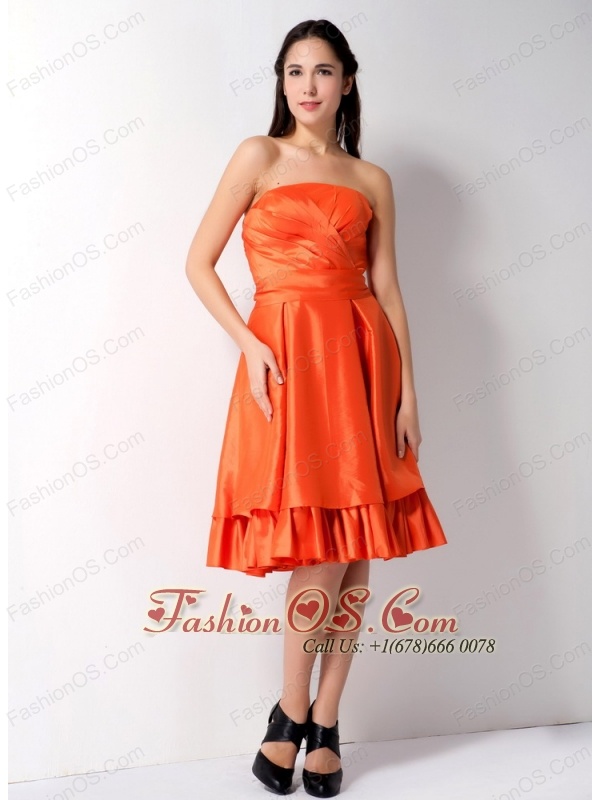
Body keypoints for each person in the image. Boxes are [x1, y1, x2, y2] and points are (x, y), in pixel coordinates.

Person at [185, 18, 448, 797]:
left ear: (347, 82)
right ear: (281, 82)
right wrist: (248, 344)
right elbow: (198, 263)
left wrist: (408, 390)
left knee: (356, 538)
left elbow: (388, 288)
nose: (307, 85)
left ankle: (322, 719)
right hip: (288, 360)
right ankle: (292, 711)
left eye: (323, 71)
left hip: (363, 358)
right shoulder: (257, 157)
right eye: (295, 71)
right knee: (318, 541)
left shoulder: (372, 180)